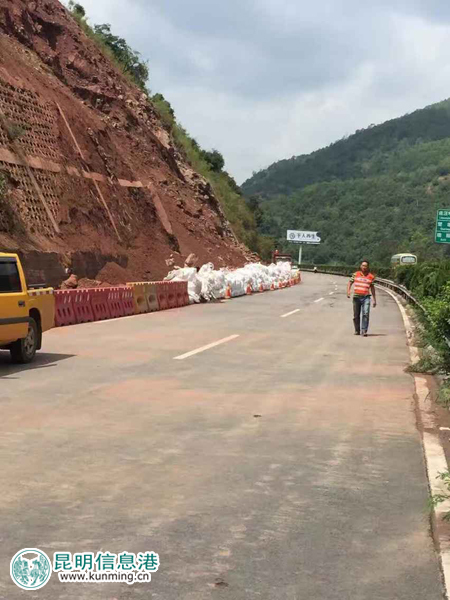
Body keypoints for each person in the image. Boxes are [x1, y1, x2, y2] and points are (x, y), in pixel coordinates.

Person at [347, 260, 377, 337]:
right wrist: (348, 291)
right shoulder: (355, 274)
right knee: (356, 315)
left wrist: (374, 299)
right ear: (360, 266)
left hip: (366, 297)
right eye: (363, 265)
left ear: (368, 267)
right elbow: (350, 282)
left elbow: (372, 288)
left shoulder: (371, 276)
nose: (364, 267)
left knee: (366, 313)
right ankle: (357, 330)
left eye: (366, 266)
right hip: (356, 297)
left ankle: (364, 330)